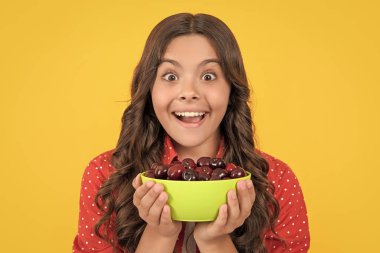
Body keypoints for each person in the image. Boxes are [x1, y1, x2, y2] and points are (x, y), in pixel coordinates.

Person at [73, 13, 310, 253]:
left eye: (208, 76)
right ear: (149, 88)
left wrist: (215, 240)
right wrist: (158, 234)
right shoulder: (105, 175)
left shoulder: (276, 181)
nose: (189, 92)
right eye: (170, 76)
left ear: (231, 89)